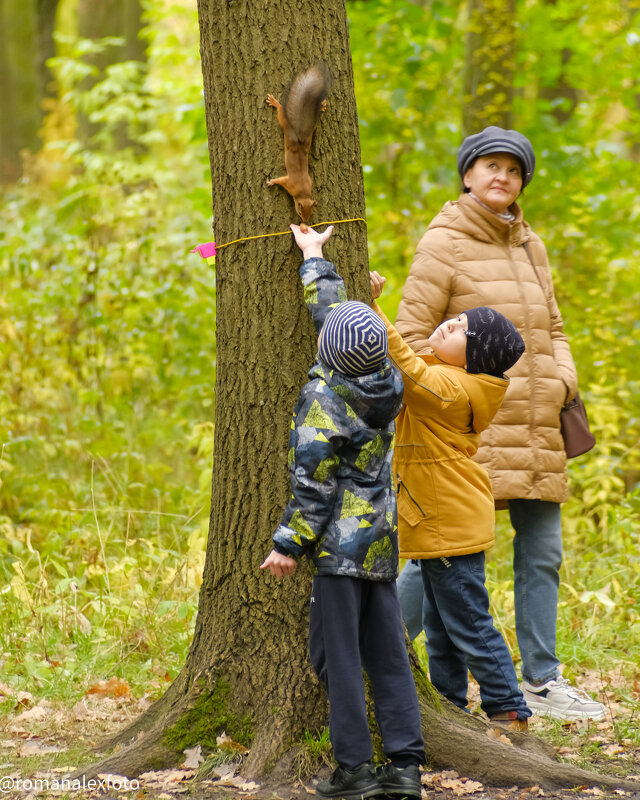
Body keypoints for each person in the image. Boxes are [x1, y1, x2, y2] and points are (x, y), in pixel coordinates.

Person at [394, 125, 606, 722]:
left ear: (521, 184)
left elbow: (554, 329)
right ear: (467, 174)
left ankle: (542, 681)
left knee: (542, 552)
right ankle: (373, 657)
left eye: (513, 170)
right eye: (489, 165)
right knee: (442, 560)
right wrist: (464, 394)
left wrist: (563, 378)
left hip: (538, 426)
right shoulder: (444, 243)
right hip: (471, 429)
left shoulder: (530, 244)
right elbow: (411, 340)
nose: (501, 177)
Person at [261, 225, 425, 800]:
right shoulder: (388, 380)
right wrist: (314, 258)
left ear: (328, 357)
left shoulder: (323, 400)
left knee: (338, 658)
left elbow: (314, 483)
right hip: (380, 542)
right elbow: (342, 326)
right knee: (388, 655)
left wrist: (288, 544)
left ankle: (354, 768)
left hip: (335, 551)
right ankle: (405, 766)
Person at [370, 270, 531, 729]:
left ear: (475, 357)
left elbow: (412, 375)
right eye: (456, 318)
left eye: (463, 329)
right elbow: (414, 369)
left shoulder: (456, 390)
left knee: (468, 623)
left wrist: (374, 309)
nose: (449, 324)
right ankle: (450, 705)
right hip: (440, 519)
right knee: (440, 629)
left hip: (449, 520)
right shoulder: (454, 378)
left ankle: (509, 708)